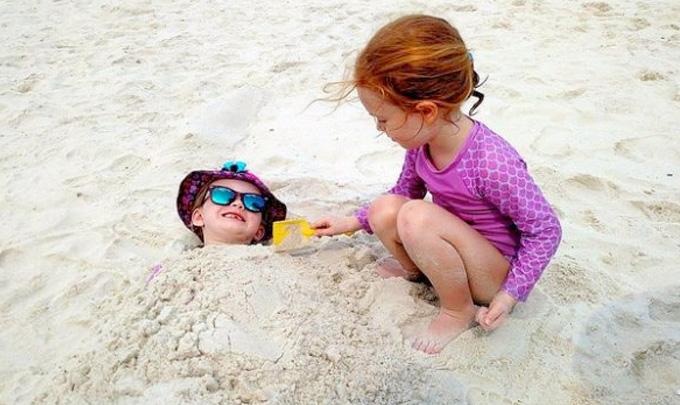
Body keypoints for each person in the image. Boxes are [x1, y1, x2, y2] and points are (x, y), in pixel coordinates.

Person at [312, 15, 562, 354]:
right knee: (386, 208)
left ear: (426, 111)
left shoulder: (492, 162)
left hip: (494, 273)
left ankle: (457, 309)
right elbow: (404, 192)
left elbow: (545, 230)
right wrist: (352, 222)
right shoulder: (422, 142)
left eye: (382, 119)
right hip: (453, 253)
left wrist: (510, 293)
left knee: (416, 216)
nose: (378, 128)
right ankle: (418, 272)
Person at [147, 160, 287, 282]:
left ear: (259, 231)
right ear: (199, 217)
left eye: (253, 202)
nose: (238, 204)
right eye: (223, 195)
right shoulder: (172, 267)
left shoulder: (275, 258)